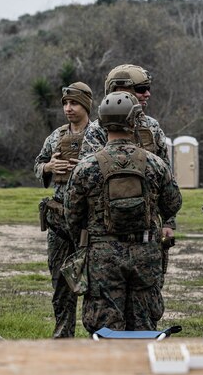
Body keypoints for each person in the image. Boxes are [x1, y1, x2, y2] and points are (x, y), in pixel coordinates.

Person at [64, 92, 182, 334]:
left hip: (102, 257)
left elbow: (72, 216)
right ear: (134, 122)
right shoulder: (155, 164)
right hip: (146, 255)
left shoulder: (86, 167)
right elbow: (173, 204)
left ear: (103, 123)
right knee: (144, 329)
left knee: (106, 330)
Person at [34, 81, 104, 338]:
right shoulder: (55, 136)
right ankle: (63, 335)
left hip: (90, 222)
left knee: (95, 281)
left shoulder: (100, 134)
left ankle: (97, 334)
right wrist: (48, 168)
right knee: (61, 283)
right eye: (65, 103)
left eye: (73, 103)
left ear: (86, 104)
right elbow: (38, 164)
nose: (68, 108)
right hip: (60, 223)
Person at [100, 65, 177, 280]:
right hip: (108, 228)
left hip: (148, 227)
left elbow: (167, 177)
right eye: (141, 89)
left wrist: (169, 222)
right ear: (119, 91)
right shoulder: (97, 129)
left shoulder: (151, 128)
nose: (147, 94)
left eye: (148, 88)